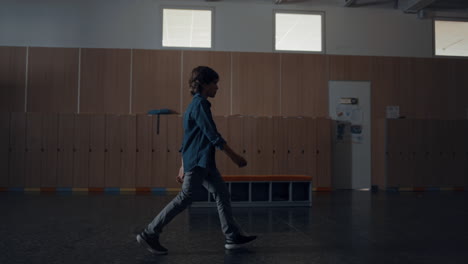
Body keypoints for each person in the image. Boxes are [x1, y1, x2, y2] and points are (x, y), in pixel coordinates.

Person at [136, 66, 257, 255]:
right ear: (204, 84)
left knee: (222, 194)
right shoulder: (199, 105)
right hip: (198, 162)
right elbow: (212, 135)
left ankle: (232, 235)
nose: (217, 87)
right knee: (185, 198)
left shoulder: (194, 105)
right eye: (215, 83)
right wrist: (235, 156)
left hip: (205, 162)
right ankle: (150, 233)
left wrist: (182, 165)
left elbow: (188, 139)